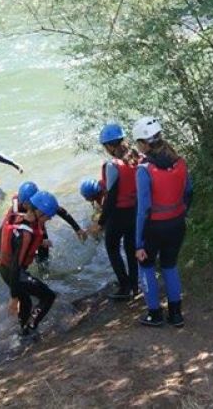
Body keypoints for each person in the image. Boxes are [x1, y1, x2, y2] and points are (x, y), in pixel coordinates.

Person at [133, 117, 192, 327]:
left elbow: (143, 209)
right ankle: (176, 314)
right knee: (169, 265)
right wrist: (182, 213)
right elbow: (188, 192)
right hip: (177, 224)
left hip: (154, 227)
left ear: (143, 143)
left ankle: (155, 314)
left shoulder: (144, 170)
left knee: (146, 265)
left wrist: (138, 243)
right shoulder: (180, 162)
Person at [0, 190, 61, 340]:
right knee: (48, 297)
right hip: (14, 273)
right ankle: (30, 328)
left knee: (27, 300)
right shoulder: (26, 234)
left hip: (5, 270)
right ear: (40, 212)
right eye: (48, 217)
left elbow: (10, 239)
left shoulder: (19, 217)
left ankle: (23, 330)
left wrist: (41, 241)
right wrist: (13, 296)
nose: (48, 220)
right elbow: (17, 267)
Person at [89, 123, 142, 301]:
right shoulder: (136, 157)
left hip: (118, 213)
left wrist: (101, 222)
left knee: (112, 248)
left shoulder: (113, 165)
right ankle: (135, 286)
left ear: (110, 146)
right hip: (134, 210)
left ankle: (124, 287)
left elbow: (111, 197)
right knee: (130, 248)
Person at [11, 181, 87, 264]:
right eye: (30, 204)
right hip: (27, 231)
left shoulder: (40, 202)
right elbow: (6, 232)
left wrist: (77, 229)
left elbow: (60, 211)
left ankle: (43, 268)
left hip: (39, 228)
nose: (34, 205)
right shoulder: (16, 210)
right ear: (24, 203)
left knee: (44, 256)